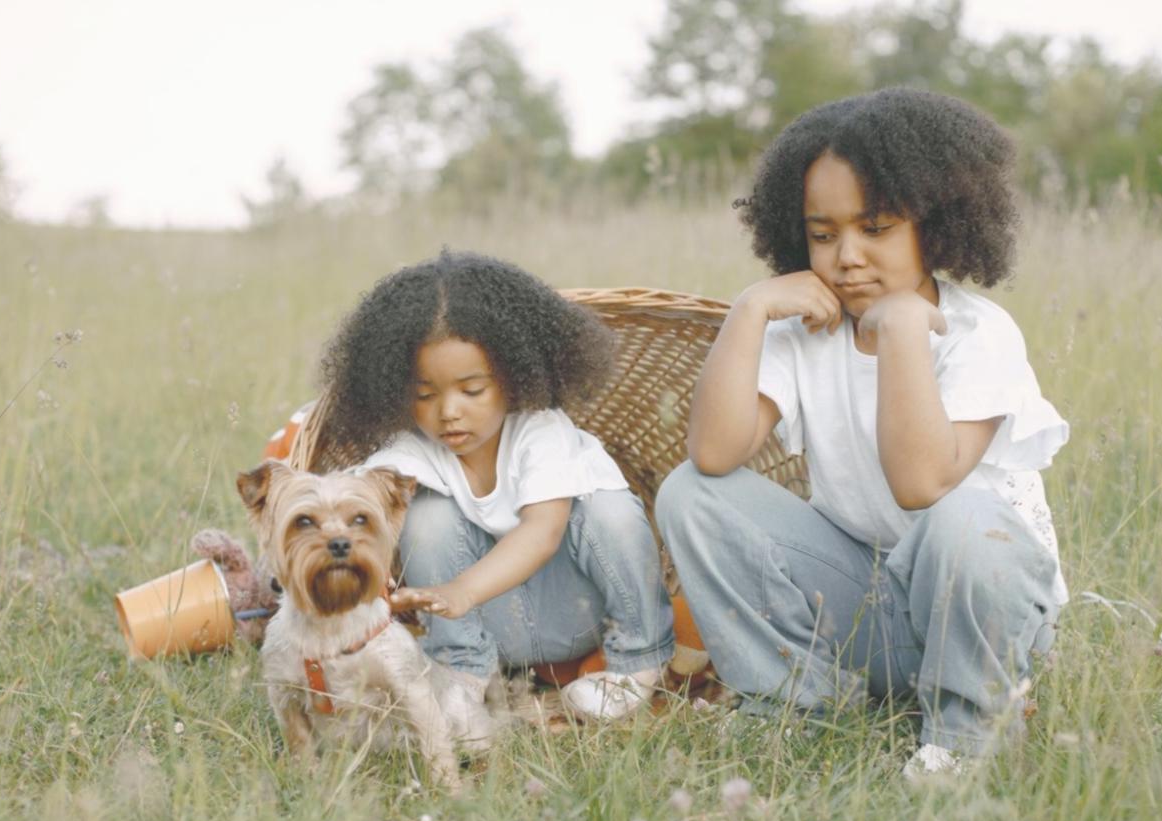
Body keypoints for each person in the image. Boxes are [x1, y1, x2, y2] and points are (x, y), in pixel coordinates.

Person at [656, 88, 1068, 777]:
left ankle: (968, 738)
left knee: (964, 516)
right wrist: (749, 312)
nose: (847, 256)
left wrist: (902, 328)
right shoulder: (804, 332)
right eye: (824, 235)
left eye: (875, 228)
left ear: (936, 225)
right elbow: (715, 453)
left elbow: (921, 484)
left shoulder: (979, 334)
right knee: (691, 491)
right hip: (873, 617)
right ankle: (796, 704)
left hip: (989, 624)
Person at [311, 249, 674, 721]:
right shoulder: (408, 453)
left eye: (472, 390)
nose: (449, 412)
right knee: (427, 515)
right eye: (425, 395)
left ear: (514, 377)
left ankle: (638, 660)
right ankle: (461, 673)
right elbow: (351, 504)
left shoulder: (541, 431)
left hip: (583, 613)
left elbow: (543, 532)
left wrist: (463, 590)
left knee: (610, 509)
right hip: (486, 629)